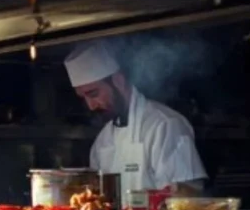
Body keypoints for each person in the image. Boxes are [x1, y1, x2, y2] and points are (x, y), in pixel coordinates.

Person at [64, 42, 208, 194]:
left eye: (94, 94)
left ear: (118, 81)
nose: (91, 106)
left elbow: (188, 197)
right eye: (83, 98)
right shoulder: (102, 141)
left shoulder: (164, 125)